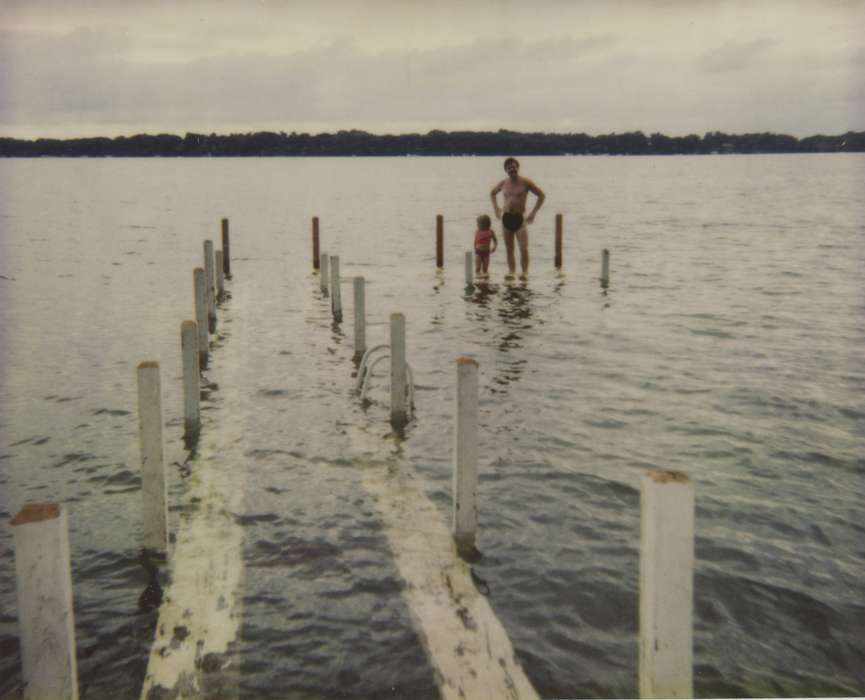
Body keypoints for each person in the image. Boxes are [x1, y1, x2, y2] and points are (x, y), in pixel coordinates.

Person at [490, 157, 545, 280]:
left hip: (520, 219)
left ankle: (525, 273)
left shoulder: (526, 182)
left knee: (523, 248)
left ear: (517, 167)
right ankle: (511, 272)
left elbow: (541, 195)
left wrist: (533, 213)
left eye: (514, 167)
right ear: (506, 170)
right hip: (506, 218)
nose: (512, 169)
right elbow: (492, 193)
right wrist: (496, 208)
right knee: (509, 249)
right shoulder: (503, 183)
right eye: (509, 168)